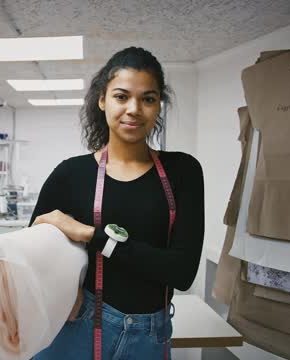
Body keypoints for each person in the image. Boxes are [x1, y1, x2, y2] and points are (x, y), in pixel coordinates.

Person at [30, 47, 204, 360]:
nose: (134, 108)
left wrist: (91, 235)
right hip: (76, 330)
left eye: (148, 98)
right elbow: (33, 253)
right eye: (121, 96)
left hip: (149, 336)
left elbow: (181, 272)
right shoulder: (70, 174)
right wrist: (60, 293)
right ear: (102, 100)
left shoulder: (184, 171)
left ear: (158, 106)